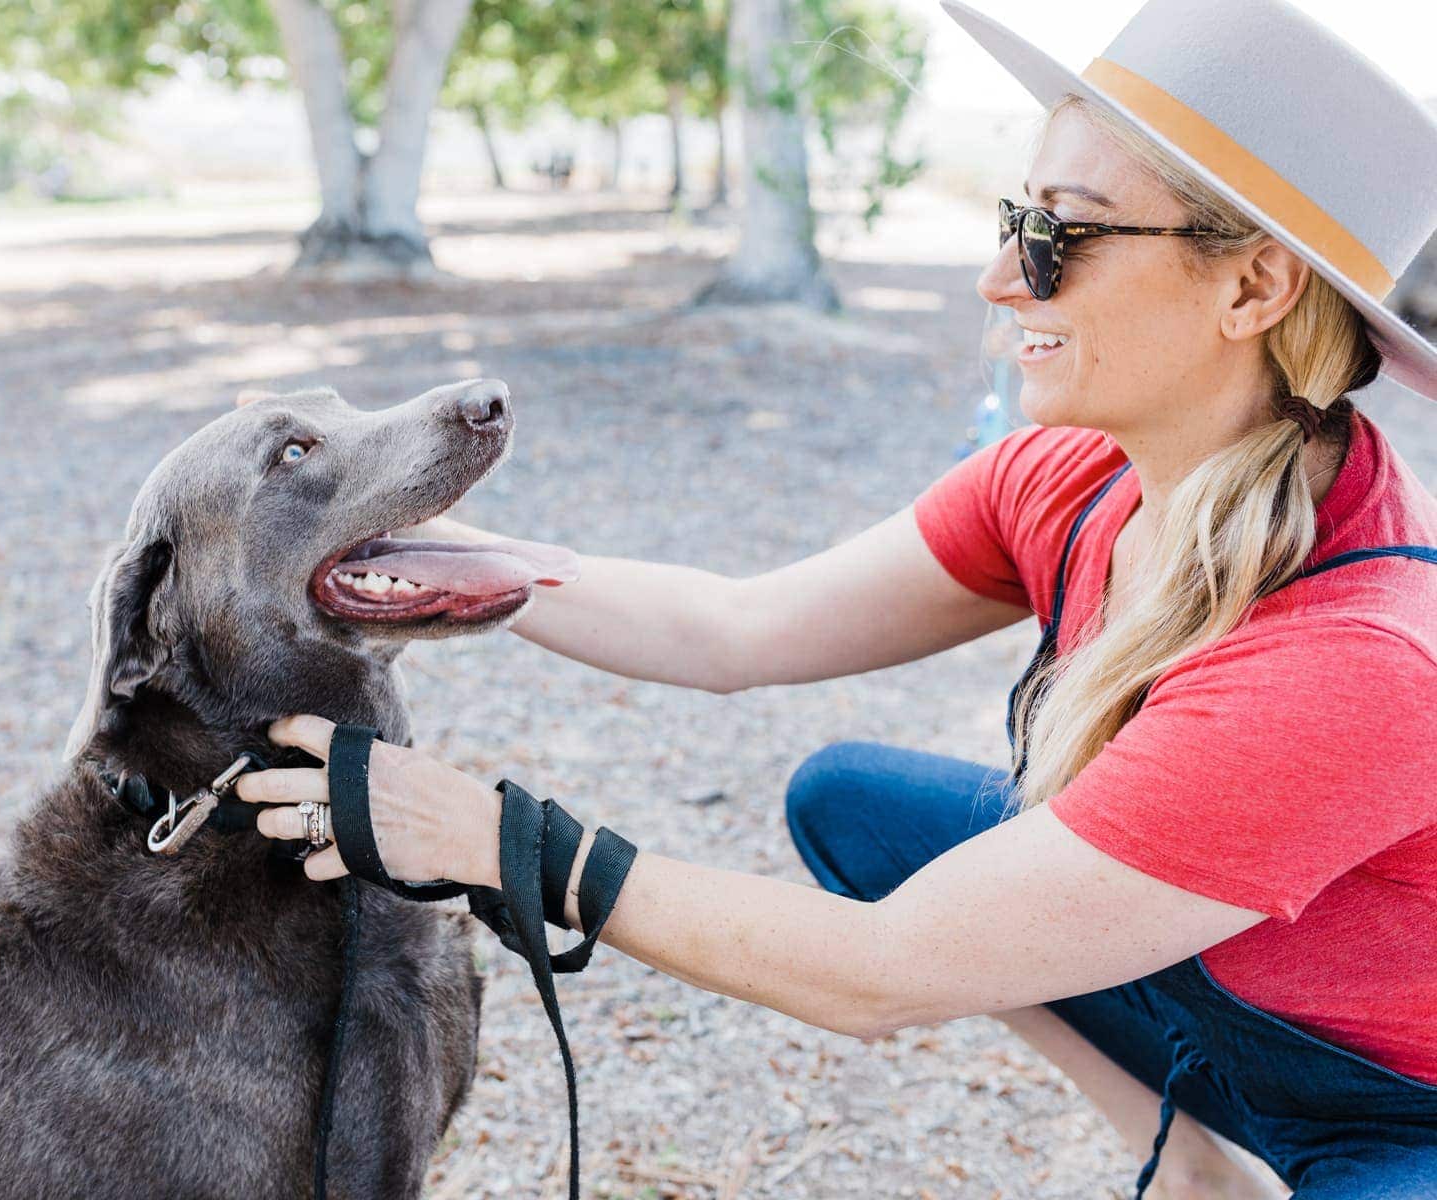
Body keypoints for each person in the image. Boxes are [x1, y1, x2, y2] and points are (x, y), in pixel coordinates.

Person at [236, 1, 1437, 1195]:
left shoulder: (1351, 663)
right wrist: (417, 538)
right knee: (852, 805)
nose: (1002, 278)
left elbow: (884, 969)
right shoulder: (1078, 476)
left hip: (1397, 1112)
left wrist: (492, 839)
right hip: (1212, 988)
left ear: (1255, 288)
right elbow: (734, 628)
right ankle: (1193, 1169)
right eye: (1017, 219)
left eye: (1063, 236)